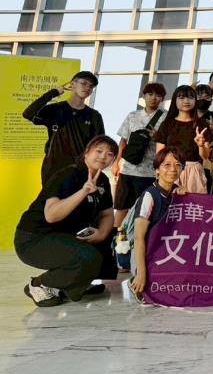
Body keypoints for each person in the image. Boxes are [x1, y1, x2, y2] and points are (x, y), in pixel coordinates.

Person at [15, 135, 119, 307]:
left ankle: (76, 284)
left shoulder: (103, 181)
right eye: (99, 151)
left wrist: (101, 234)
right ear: (87, 152)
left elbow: (107, 214)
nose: (103, 157)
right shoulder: (68, 175)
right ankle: (40, 284)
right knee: (87, 257)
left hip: (64, 235)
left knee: (105, 242)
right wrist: (83, 192)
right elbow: (51, 215)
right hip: (34, 238)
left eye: (109, 154)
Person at [111, 82, 167, 269]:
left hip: (152, 173)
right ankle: (117, 252)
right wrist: (117, 163)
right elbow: (123, 141)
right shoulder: (132, 116)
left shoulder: (166, 118)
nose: (153, 98)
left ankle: (142, 255)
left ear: (162, 99)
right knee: (121, 209)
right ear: (144, 96)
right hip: (129, 170)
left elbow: (168, 144)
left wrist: (158, 136)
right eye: (150, 94)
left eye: (158, 95)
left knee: (146, 213)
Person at [23, 70, 105, 185]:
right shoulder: (55, 109)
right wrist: (53, 93)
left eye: (91, 86)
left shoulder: (94, 116)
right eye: (84, 83)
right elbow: (28, 114)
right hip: (53, 168)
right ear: (73, 84)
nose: (87, 88)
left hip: (80, 170)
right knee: (50, 197)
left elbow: (100, 145)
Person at [127, 146, 185, 300]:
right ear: (157, 170)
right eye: (167, 165)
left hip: (170, 252)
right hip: (146, 253)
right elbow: (138, 238)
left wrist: (186, 198)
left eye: (178, 165)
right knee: (152, 292)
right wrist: (141, 274)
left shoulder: (180, 193)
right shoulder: (150, 195)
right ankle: (135, 279)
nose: (173, 169)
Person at [154, 85, 212, 194]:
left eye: (190, 97)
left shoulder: (202, 124)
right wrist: (159, 172)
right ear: (175, 100)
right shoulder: (167, 124)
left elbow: (205, 156)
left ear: (195, 100)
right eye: (181, 97)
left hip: (194, 171)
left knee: (193, 203)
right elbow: (160, 153)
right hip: (171, 170)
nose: (186, 101)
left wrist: (201, 145)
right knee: (169, 202)